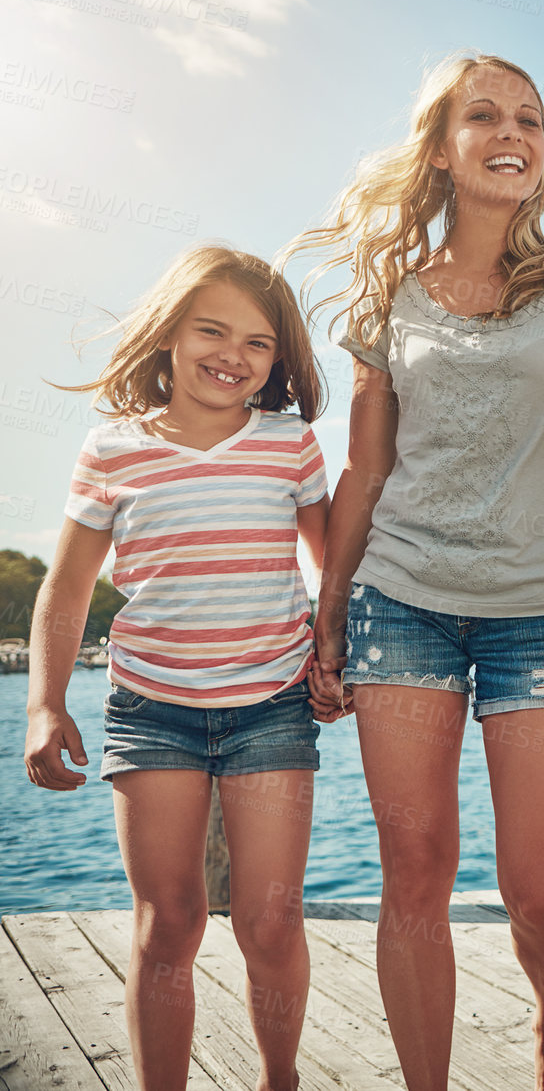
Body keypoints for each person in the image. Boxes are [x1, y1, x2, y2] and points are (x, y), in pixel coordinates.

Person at [284, 52, 544, 1091]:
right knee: (416, 871)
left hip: (542, 610)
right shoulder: (388, 298)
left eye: (529, 116)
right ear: (442, 146)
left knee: (536, 888)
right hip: (403, 603)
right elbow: (366, 464)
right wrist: (332, 612)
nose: (510, 132)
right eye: (483, 115)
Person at [23, 245, 333, 1091]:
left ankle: (281, 1080)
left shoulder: (288, 444)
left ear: (277, 361)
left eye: (258, 342)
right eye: (211, 330)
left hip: (271, 705)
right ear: (168, 335)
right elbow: (67, 588)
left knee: (269, 922)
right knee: (171, 924)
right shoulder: (114, 449)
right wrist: (44, 706)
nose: (233, 354)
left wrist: (335, 656)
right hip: (151, 710)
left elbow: (333, 567)